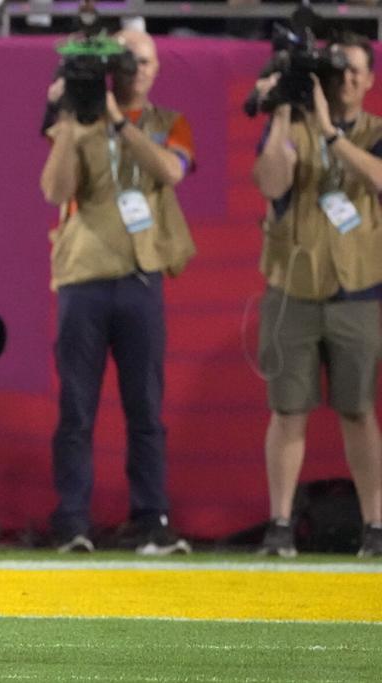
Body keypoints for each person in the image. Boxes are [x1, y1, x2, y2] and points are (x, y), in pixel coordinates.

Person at [39, 29, 195, 555]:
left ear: (155, 67)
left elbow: (170, 171)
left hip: (141, 276)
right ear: (112, 65)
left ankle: (152, 519)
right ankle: (72, 522)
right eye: (127, 60)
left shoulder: (169, 123)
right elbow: (55, 191)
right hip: (82, 277)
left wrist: (116, 120)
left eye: (146, 60)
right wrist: (67, 124)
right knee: (77, 408)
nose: (137, 68)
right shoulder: (78, 122)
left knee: (146, 408)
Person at [251, 32, 382, 558]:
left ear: (371, 79)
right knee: (288, 411)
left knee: (358, 411)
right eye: (339, 69)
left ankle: (375, 525)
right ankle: (280, 523)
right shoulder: (294, 128)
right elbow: (270, 183)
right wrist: (283, 114)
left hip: (358, 290)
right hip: (293, 290)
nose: (347, 78)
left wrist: (331, 134)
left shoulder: (373, 132)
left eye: (357, 71)